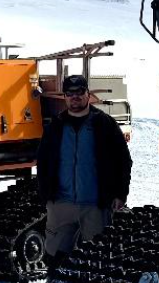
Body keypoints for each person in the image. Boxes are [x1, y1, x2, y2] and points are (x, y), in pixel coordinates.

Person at [36, 72, 132, 266]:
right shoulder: (56, 126)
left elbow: (123, 161)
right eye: (70, 93)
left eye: (79, 91)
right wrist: (45, 195)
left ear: (88, 94)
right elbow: (43, 162)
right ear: (64, 97)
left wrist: (120, 194)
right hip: (61, 205)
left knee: (98, 260)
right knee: (55, 259)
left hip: (95, 205)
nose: (75, 97)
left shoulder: (104, 124)